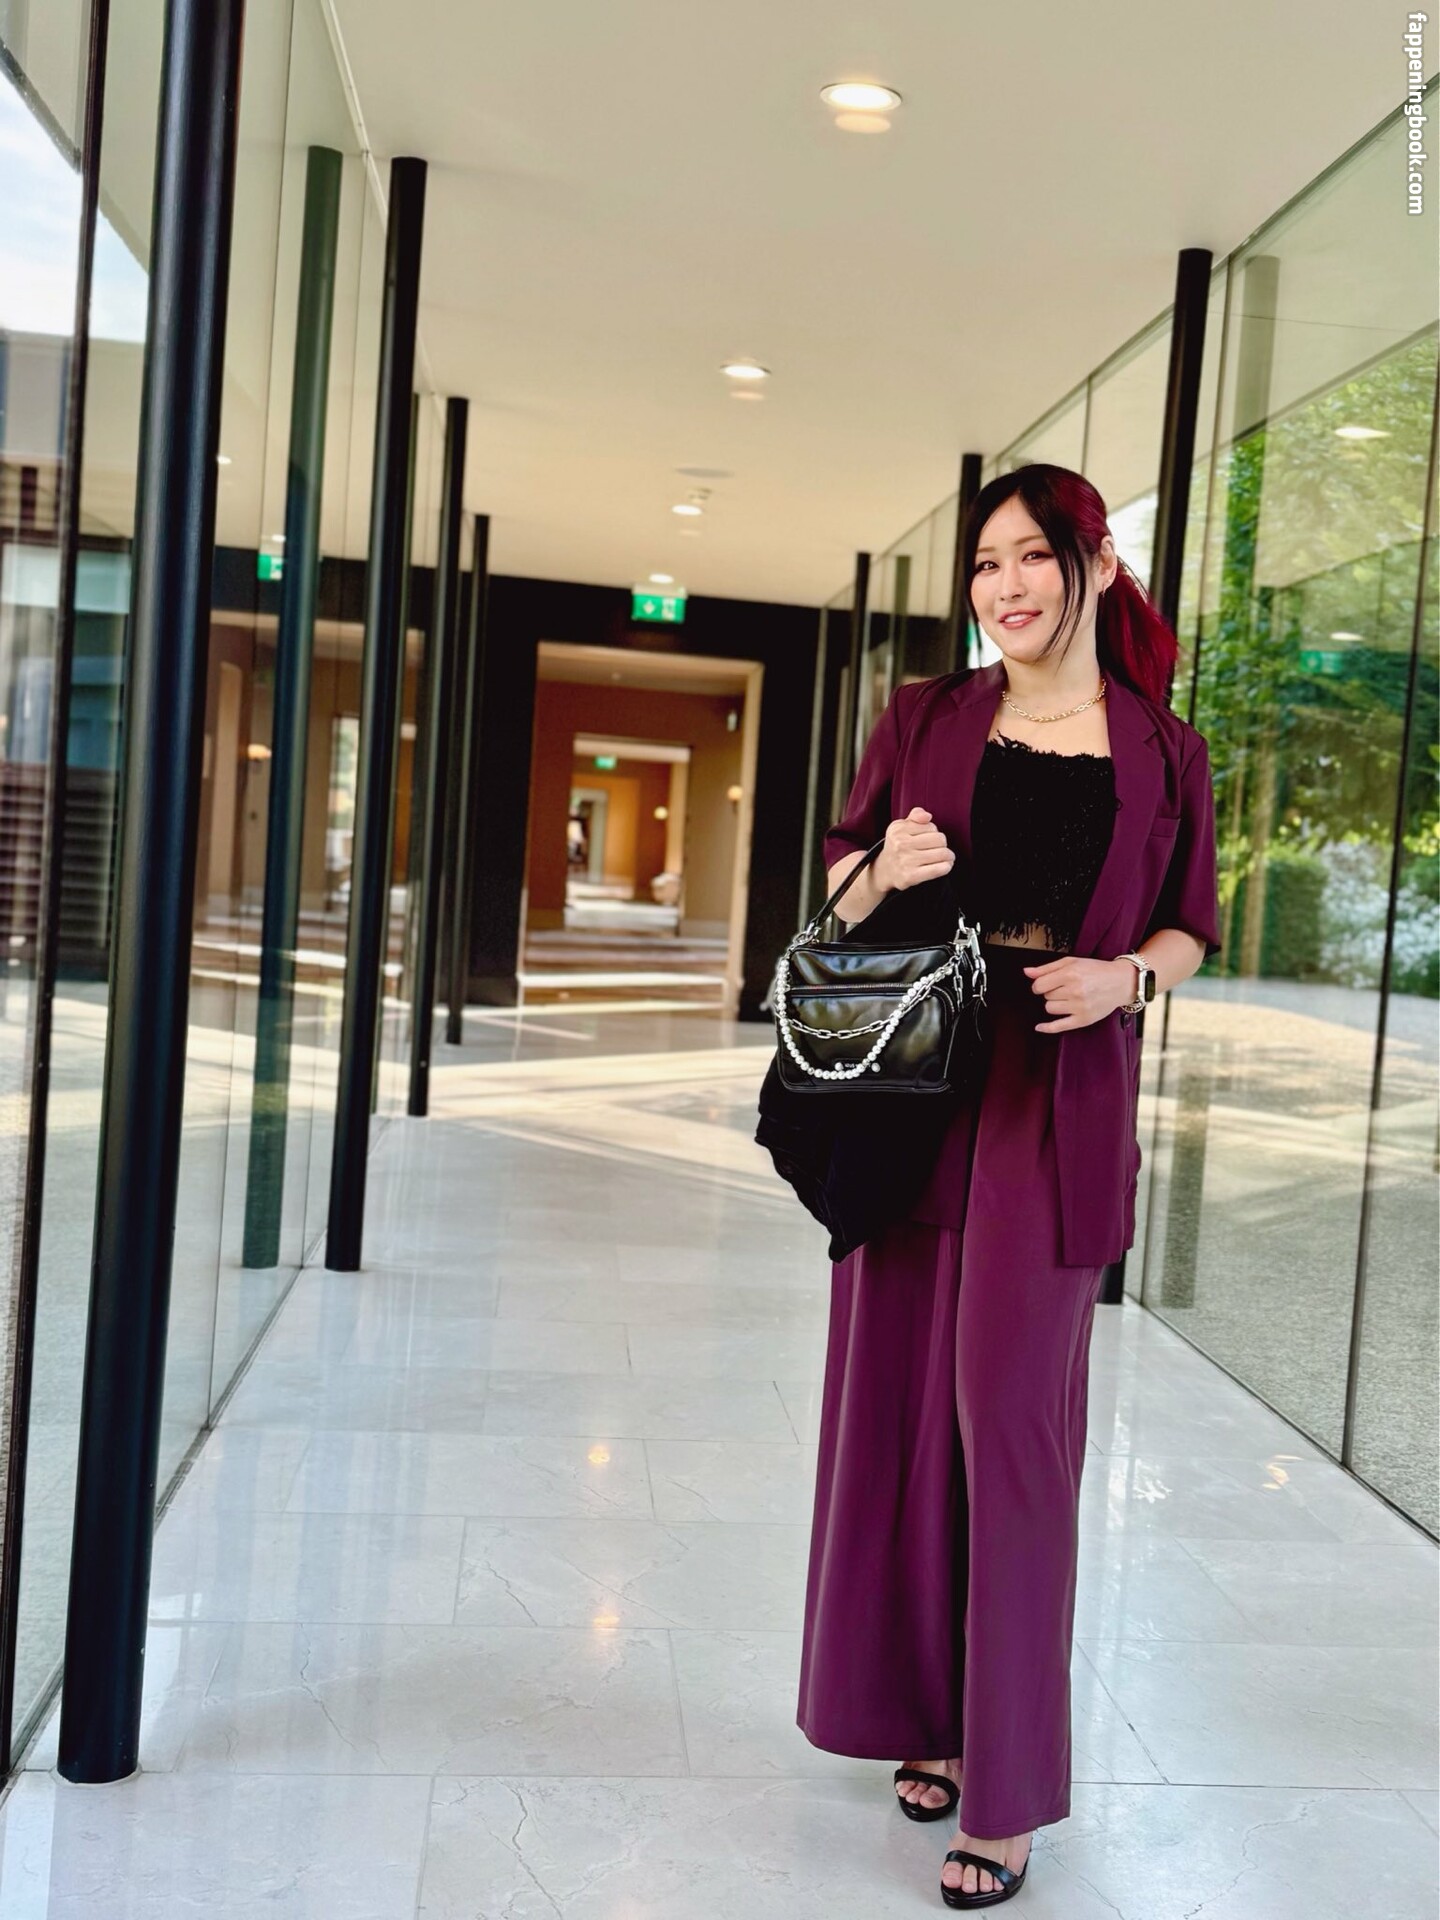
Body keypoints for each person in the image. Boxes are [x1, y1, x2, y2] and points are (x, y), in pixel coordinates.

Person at [793, 463, 1222, 1908]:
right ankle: (922, 1717)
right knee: (902, 1420)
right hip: (917, 1093)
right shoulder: (925, 715)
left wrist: (1124, 981)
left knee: (1017, 1435)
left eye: (1032, 557)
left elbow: (1190, 928)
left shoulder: (1166, 751)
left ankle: (1009, 1786)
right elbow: (839, 887)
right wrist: (882, 866)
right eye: (985, 564)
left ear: (1095, 567)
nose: (1004, 587)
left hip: (1056, 1111)